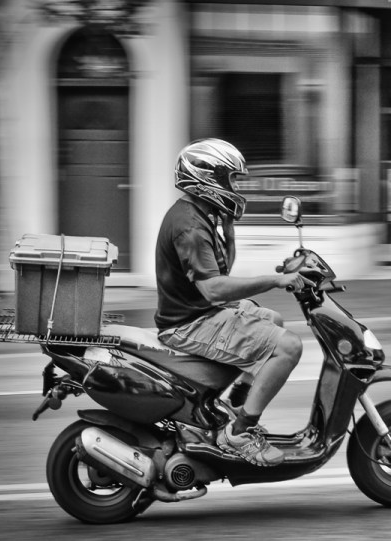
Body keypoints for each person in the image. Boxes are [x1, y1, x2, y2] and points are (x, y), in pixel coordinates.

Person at [154, 138, 313, 467]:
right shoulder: (190, 227)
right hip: (190, 322)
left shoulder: (201, 213)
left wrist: (227, 224)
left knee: (274, 321)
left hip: (201, 310)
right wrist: (275, 280)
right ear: (208, 179)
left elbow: (223, 268)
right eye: (231, 179)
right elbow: (215, 289)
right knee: (289, 347)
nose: (236, 186)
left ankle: (237, 402)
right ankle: (239, 433)